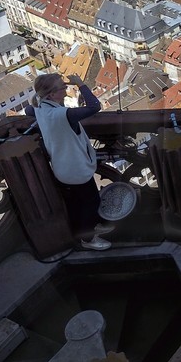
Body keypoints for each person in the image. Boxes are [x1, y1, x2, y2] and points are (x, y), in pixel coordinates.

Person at [27, 72, 110, 249]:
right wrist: (80, 83)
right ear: (51, 94)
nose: (66, 88)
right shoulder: (61, 114)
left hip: (62, 167)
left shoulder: (39, 108)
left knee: (76, 204)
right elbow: (95, 106)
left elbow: (28, 111)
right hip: (75, 168)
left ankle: (88, 229)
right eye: (62, 87)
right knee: (90, 203)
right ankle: (88, 240)